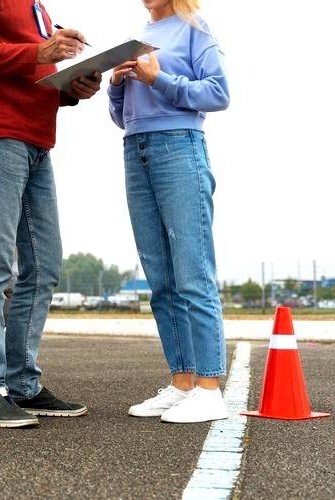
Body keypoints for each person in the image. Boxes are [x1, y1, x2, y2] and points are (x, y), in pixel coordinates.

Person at [0, 0, 102, 428]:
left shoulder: (37, 8)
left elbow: (36, 71)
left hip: (34, 139)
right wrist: (39, 53)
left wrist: (71, 89)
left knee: (44, 265)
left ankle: (22, 385)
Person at [107, 0, 231, 423]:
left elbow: (218, 93)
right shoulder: (138, 36)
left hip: (179, 147)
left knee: (192, 272)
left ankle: (210, 388)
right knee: (159, 277)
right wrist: (117, 85)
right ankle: (182, 383)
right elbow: (122, 117)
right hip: (135, 149)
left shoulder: (194, 28)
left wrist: (159, 79)